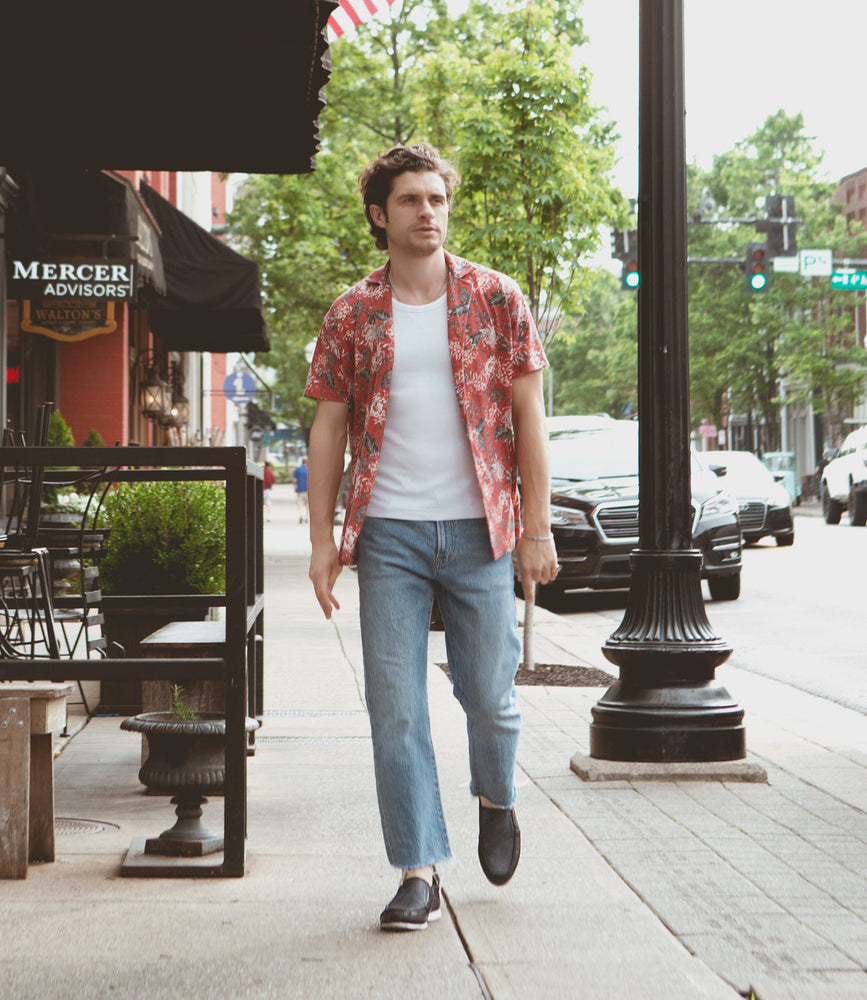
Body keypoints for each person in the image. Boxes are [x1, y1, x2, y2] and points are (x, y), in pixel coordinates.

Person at [304, 142, 558, 932]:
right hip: (388, 536)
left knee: (490, 697)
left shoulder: (495, 298)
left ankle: (496, 797)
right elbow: (329, 427)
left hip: (480, 530)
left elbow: (527, 418)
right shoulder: (351, 313)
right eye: (410, 200)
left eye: (436, 199)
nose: (427, 212)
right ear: (380, 215)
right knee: (396, 710)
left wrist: (536, 528)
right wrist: (322, 542)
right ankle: (417, 867)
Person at [292, 458, 309, 523]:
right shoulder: (309, 469)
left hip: (300, 490)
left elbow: (294, 480)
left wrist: (295, 488)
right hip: (308, 490)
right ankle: (307, 517)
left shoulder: (298, 469)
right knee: (308, 505)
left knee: (299, 504)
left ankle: (301, 516)